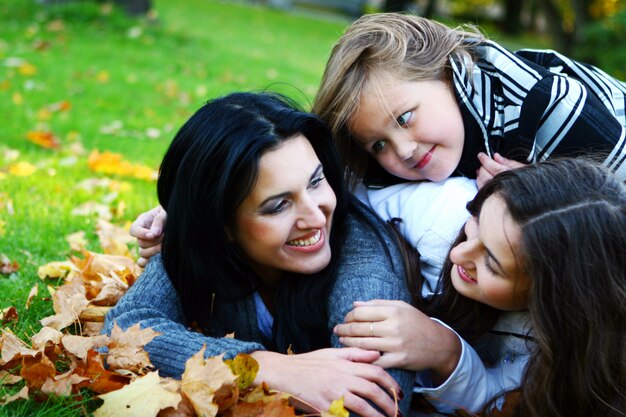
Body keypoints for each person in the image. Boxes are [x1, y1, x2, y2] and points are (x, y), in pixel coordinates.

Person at [104, 92, 417, 417]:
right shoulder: (199, 248)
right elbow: (122, 333)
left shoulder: (363, 260)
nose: (316, 217)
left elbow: (377, 400)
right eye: (278, 205)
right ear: (221, 224)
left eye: (315, 182)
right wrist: (267, 369)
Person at [334, 158, 626, 417]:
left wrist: (446, 352)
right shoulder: (444, 210)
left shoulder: (564, 352)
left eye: (492, 264)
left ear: (553, 297)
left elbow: (499, 401)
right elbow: (344, 195)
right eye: (474, 220)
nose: (458, 254)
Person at [312, 13, 626, 189]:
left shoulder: (546, 107)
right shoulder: (408, 157)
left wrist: (541, 190)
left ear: (448, 74)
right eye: (378, 145)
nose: (404, 151)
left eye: (404, 118)